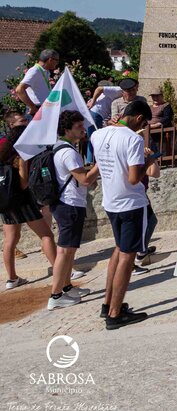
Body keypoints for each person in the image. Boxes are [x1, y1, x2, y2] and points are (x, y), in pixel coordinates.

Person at [92, 99, 154, 328]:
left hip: (111, 202)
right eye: (143, 124)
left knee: (118, 251)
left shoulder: (97, 135)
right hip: (131, 203)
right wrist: (149, 160)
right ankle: (115, 314)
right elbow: (134, 178)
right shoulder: (133, 139)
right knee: (127, 258)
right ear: (139, 118)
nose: (142, 128)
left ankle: (108, 304)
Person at [48, 111, 100, 309]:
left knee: (70, 250)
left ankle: (67, 287)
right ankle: (55, 296)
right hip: (69, 204)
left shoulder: (61, 147)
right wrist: (99, 165)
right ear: (67, 129)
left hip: (68, 204)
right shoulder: (68, 152)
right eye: (78, 126)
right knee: (64, 251)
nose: (82, 129)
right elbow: (84, 180)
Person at [1, 125, 57, 290]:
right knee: (46, 235)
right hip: (23, 202)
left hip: (6, 203)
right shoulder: (20, 156)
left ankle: (12, 278)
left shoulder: (2, 155)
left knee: (10, 240)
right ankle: (59, 270)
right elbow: (24, 183)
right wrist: (24, 165)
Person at [15, 49, 58, 116]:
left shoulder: (45, 71)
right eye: (57, 60)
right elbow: (19, 89)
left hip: (44, 108)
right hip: (36, 109)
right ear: (50, 60)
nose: (57, 63)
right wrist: (32, 107)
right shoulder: (35, 71)